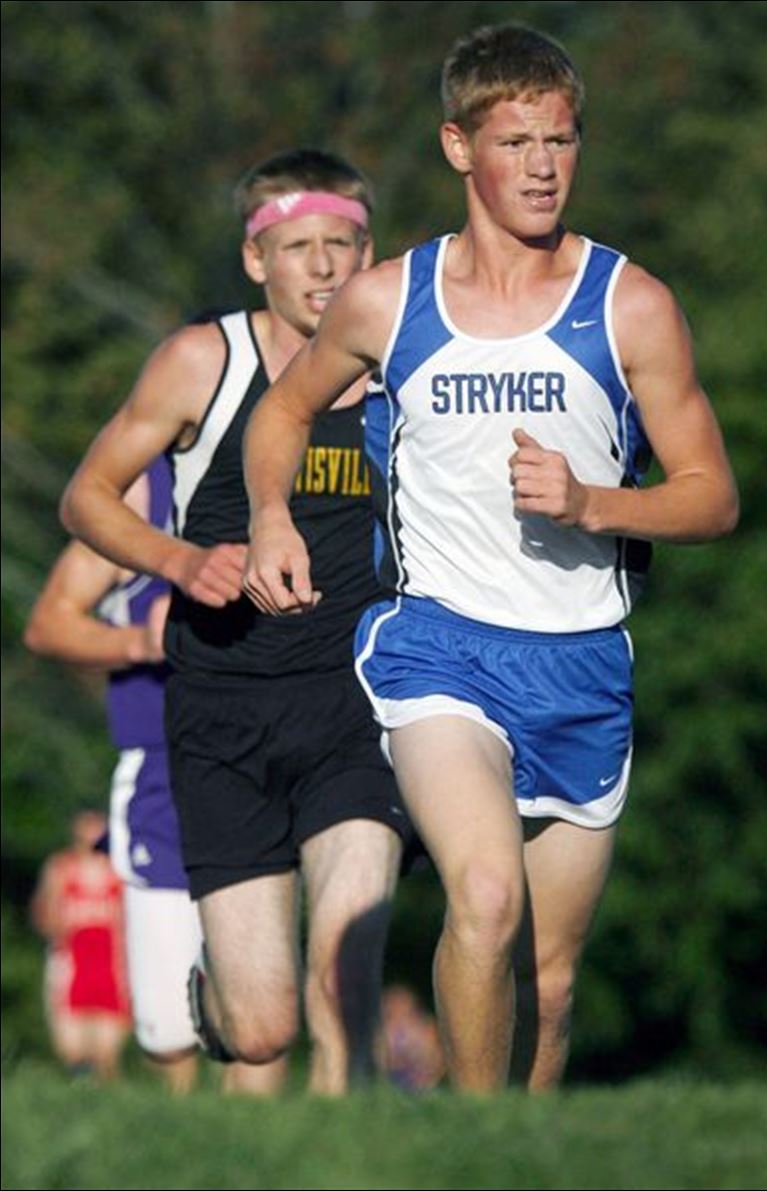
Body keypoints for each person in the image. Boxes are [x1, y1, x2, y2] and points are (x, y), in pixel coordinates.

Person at [241, 25, 739, 1092]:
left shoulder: (629, 305)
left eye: (561, 140)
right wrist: (271, 516)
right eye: (516, 142)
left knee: (547, 985)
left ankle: (522, 1147)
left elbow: (711, 496)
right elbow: (280, 411)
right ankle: (471, 1144)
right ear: (459, 147)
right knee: (483, 895)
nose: (544, 166)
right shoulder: (388, 300)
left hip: (580, 659)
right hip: (437, 647)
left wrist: (593, 502)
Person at [60, 148, 413, 1095]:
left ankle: (355, 1153)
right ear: (257, 259)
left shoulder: (402, 370)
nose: (324, 266)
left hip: (355, 705)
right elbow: (86, 497)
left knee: (347, 960)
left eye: (343, 244)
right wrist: (178, 560)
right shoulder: (201, 361)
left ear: (369, 251)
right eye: (298, 247)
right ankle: (217, 1000)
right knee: (261, 1031)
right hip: (222, 711)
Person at [25, 462, 282, 1095]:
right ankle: (185, 1127)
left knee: (262, 1002)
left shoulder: (280, 475)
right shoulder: (142, 497)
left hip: (262, 761)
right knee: (168, 1029)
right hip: (162, 772)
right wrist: (141, 641)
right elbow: (49, 622)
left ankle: (258, 1138)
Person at [30, 809, 130, 1081]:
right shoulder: (61, 867)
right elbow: (44, 914)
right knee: (71, 1051)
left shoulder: (119, 870)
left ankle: (108, 1096)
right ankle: (80, 1090)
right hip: (71, 966)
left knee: (106, 1053)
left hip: (112, 969)